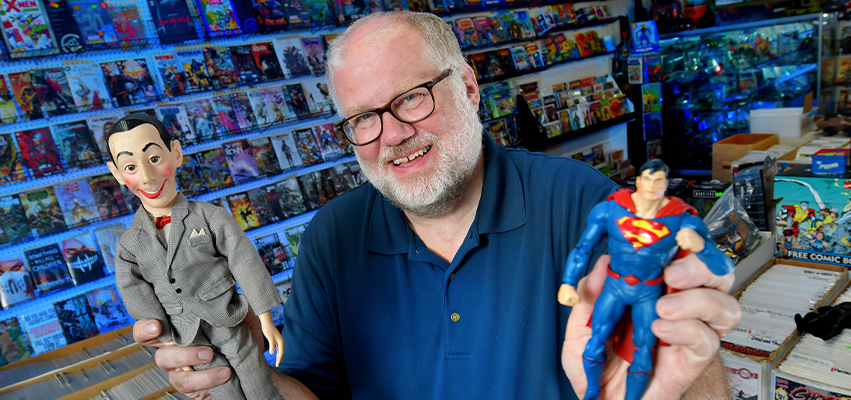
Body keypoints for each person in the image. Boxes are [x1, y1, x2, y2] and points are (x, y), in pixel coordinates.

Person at [134, 12, 740, 400]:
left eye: (412, 99)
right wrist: (239, 367)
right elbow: (312, 392)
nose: (392, 134)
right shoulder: (333, 236)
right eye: (363, 118)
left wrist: (682, 385)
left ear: (470, 88)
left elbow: (672, 363)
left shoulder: (578, 200)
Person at [106, 114, 285, 400]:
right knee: (222, 387)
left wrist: (265, 316)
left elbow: (244, 259)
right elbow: (137, 293)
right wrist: (166, 343)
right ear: (117, 174)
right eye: (130, 166)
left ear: (176, 154)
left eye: (153, 159)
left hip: (226, 316)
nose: (147, 176)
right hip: (185, 333)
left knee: (255, 376)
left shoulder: (209, 216)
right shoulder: (129, 245)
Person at [558, 160, 734, 400]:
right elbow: (583, 249)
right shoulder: (611, 210)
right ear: (639, 181)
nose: (651, 186)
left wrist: (702, 247)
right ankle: (592, 390)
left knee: (644, 352)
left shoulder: (681, 220)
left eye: (658, 181)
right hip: (615, 286)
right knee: (595, 342)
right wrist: (568, 282)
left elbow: (723, 267)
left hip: (648, 293)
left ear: (665, 185)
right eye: (647, 180)